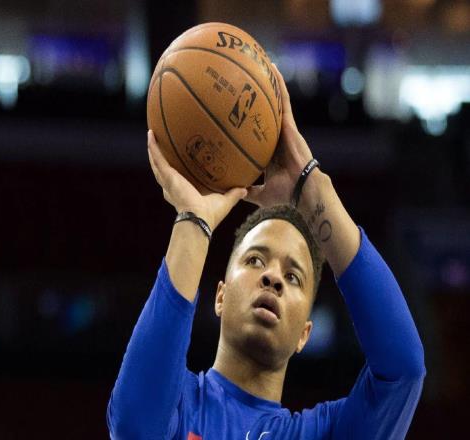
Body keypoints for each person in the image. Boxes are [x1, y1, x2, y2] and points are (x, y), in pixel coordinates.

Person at [106, 65, 425, 439]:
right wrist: (194, 222)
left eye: (293, 277)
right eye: (255, 260)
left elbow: (403, 370)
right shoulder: (178, 409)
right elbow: (134, 424)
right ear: (220, 295)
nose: (273, 277)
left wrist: (312, 189)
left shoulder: (322, 434)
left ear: (304, 333)